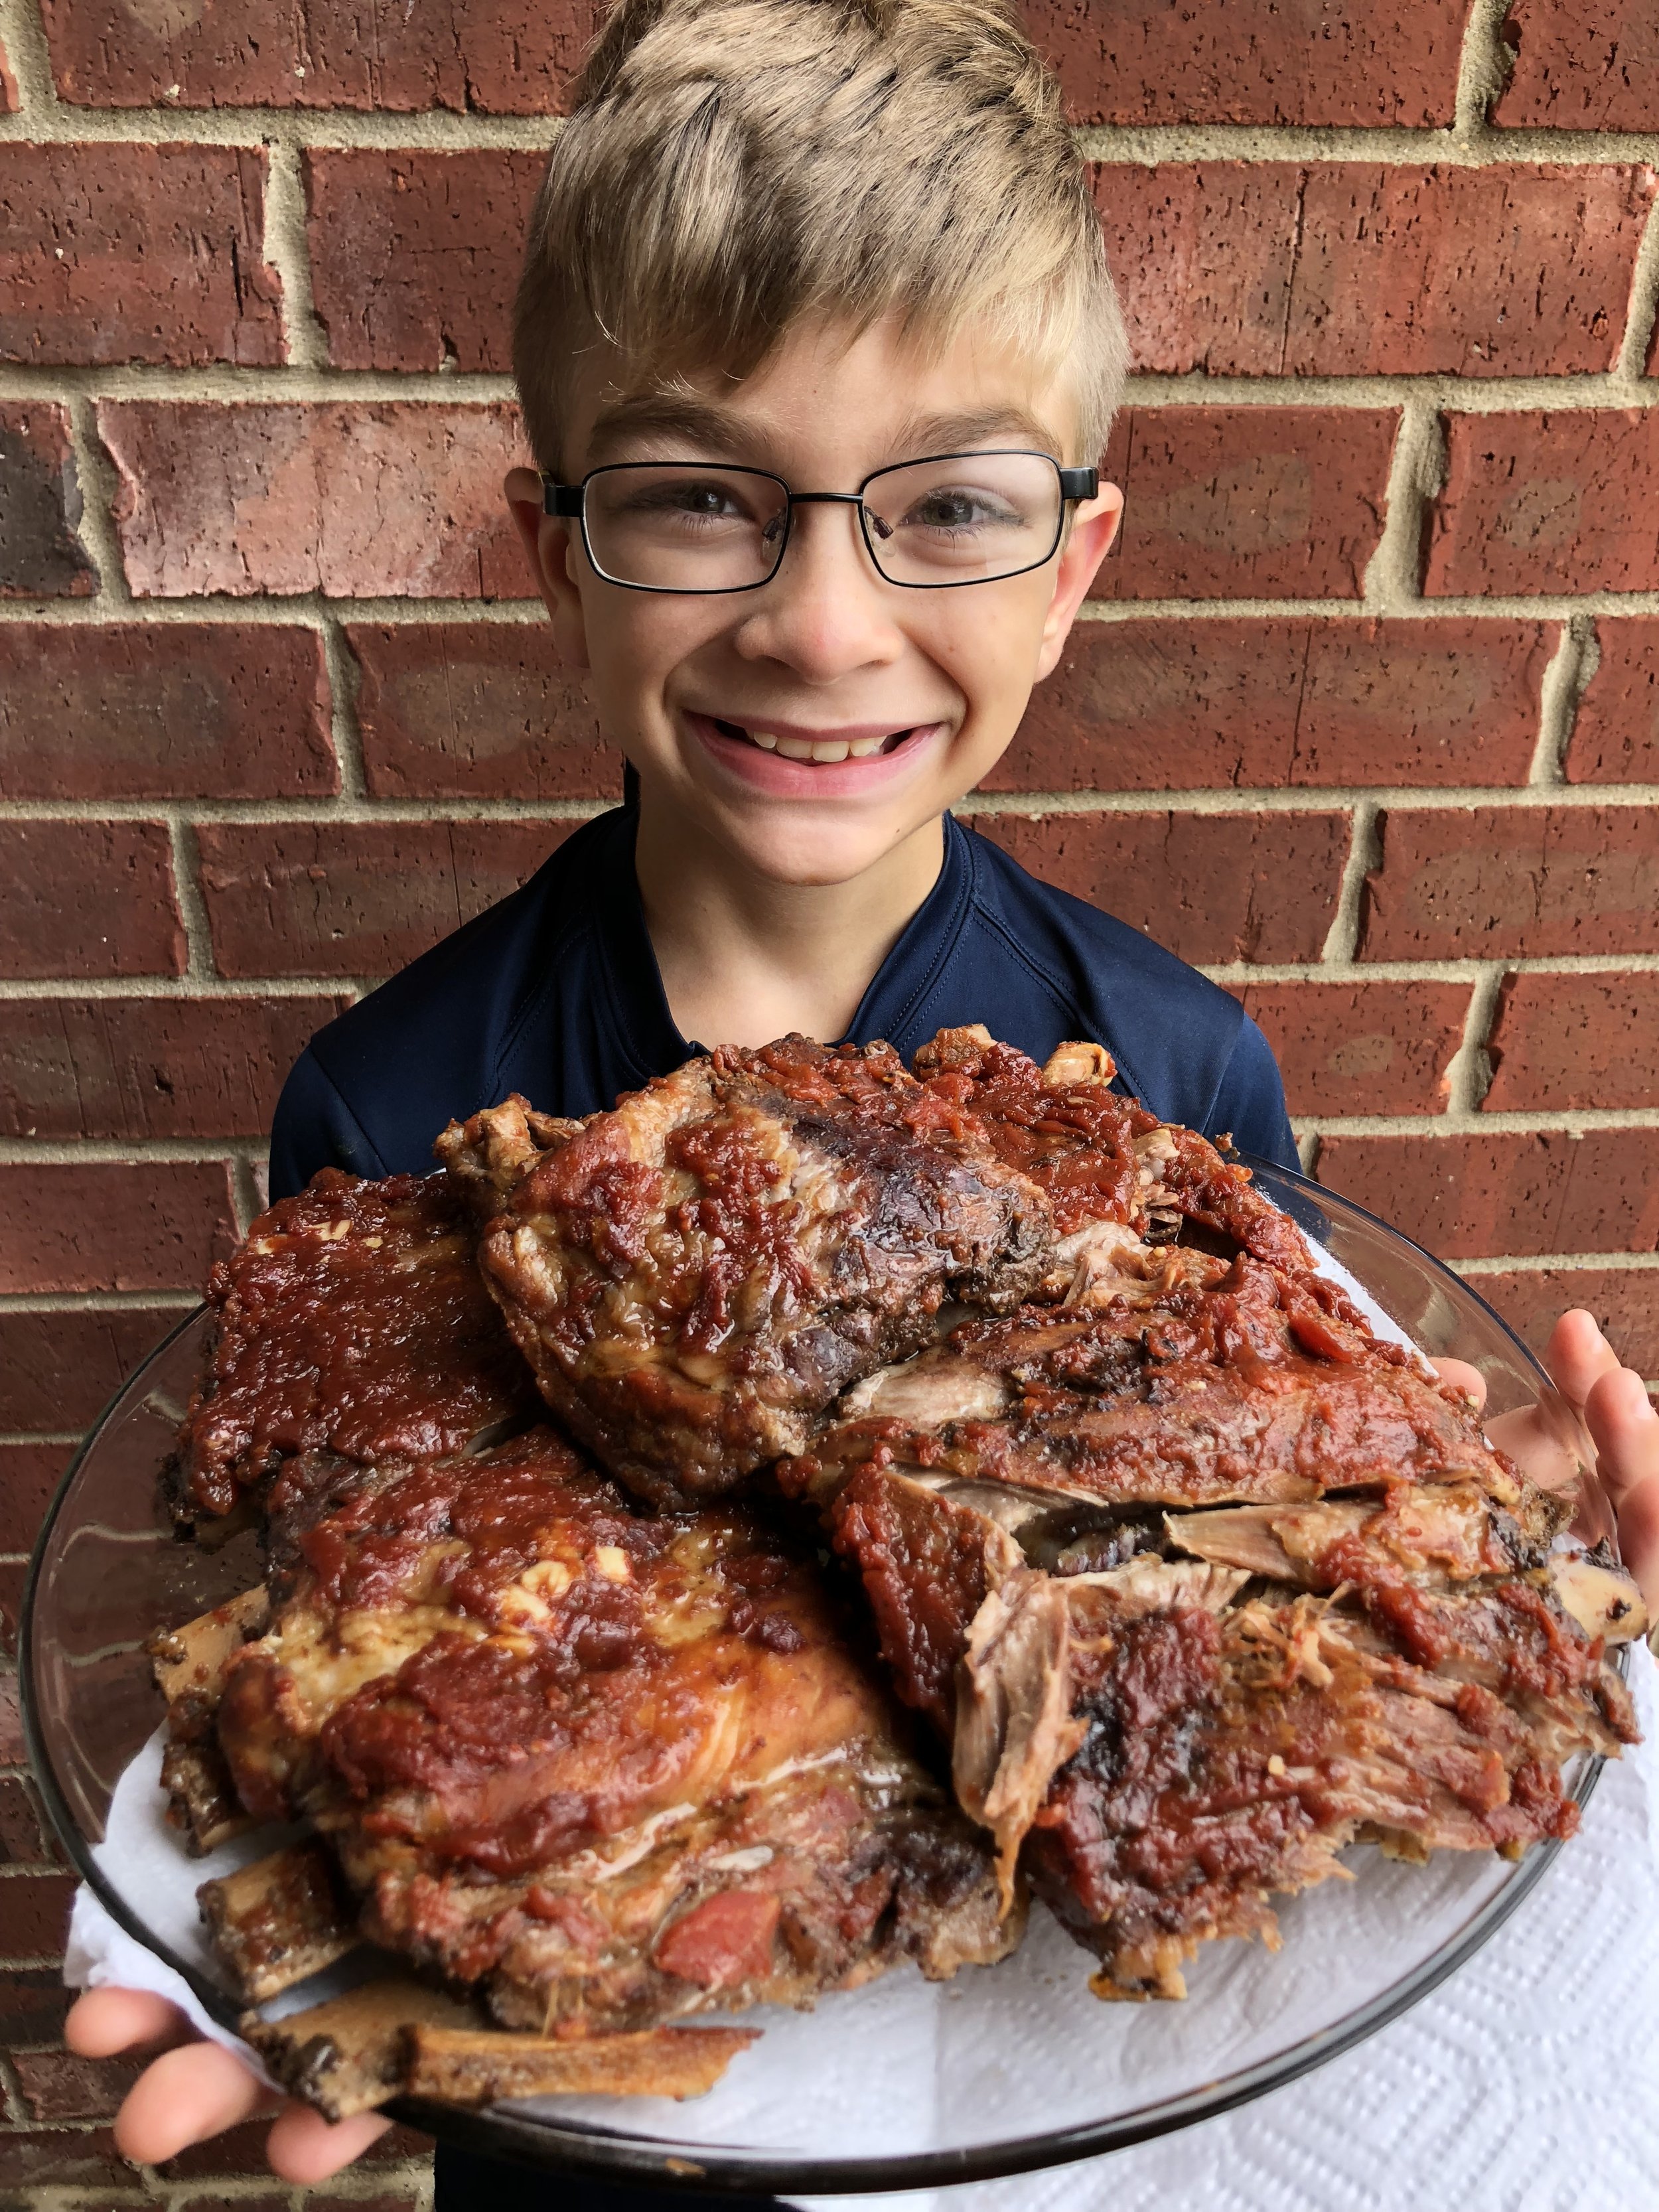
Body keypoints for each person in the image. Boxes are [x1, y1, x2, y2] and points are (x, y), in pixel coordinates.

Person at [64, 1, 1659, 2206]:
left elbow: (1217, 1518)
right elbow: (321, 1569)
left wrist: (1477, 1545)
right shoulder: (397, 1111)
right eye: (701, 498)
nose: (825, 624)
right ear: (556, 547)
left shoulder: (1173, 1084)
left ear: (1073, 566)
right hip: (598, 2100)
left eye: (952, 507)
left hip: (1066, 2134)